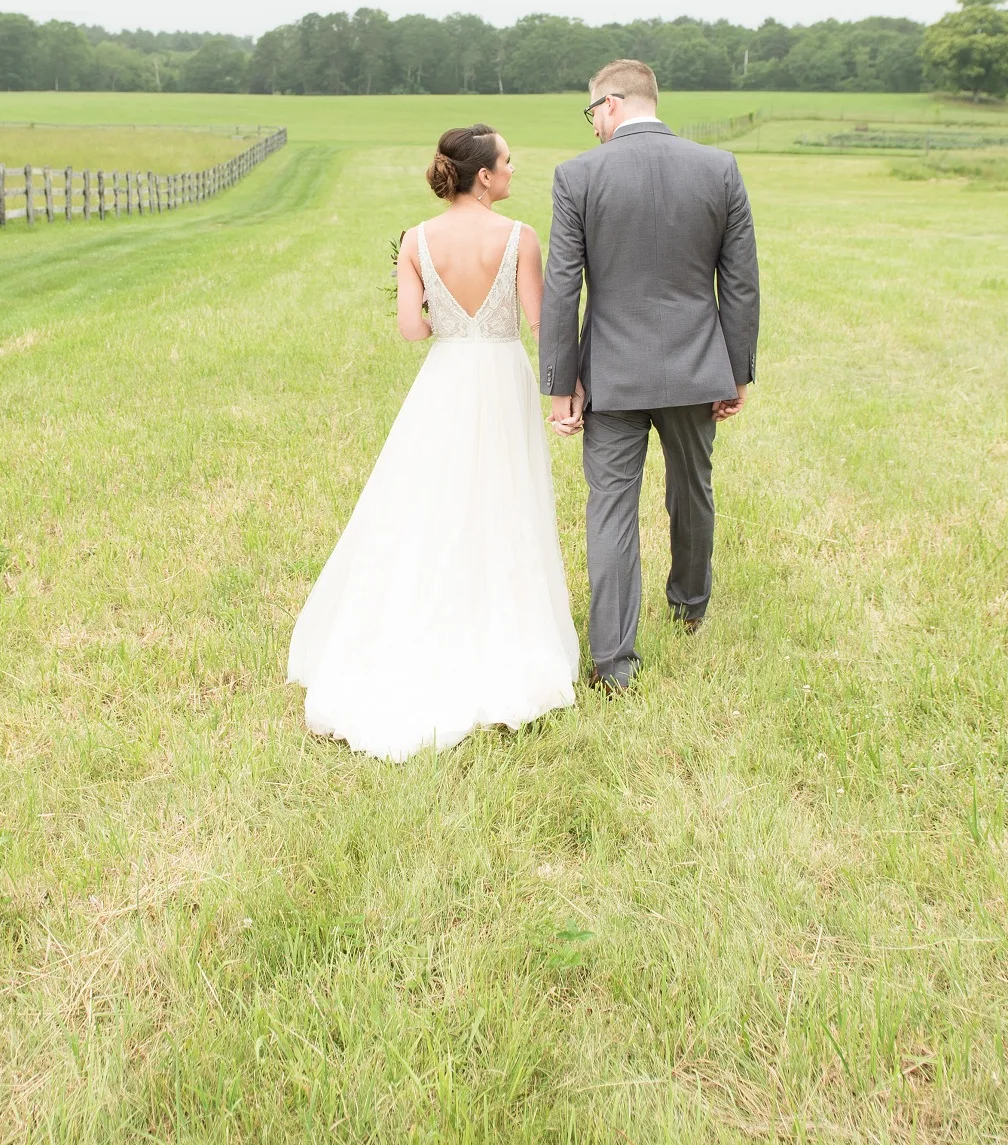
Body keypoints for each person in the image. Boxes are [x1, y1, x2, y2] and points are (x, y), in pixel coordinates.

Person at [286, 125, 581, 760]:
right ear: (484, 177)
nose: (512, 169)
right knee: (505, 501)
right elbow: (538, 322)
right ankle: (502, 628)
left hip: (445, 381)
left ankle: (421, 624)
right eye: (506, 162)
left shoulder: (417, 239)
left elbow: (411, 330)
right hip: (502, 377)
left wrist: (440, 306)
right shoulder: (521, 238)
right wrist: (571, 384)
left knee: (431, 502)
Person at [539, 60, 758, 692]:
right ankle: (690, 607)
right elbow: (739, 282)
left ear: (610, 104)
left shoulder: (577, 177)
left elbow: (563, 287)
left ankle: (613, 662)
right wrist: (734, 371)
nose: (594, 128)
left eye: (592, 114)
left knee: (610, 507)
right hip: (696, 369)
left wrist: (561, 384)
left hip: (611, 374)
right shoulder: (719, 169)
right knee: (693, 489)